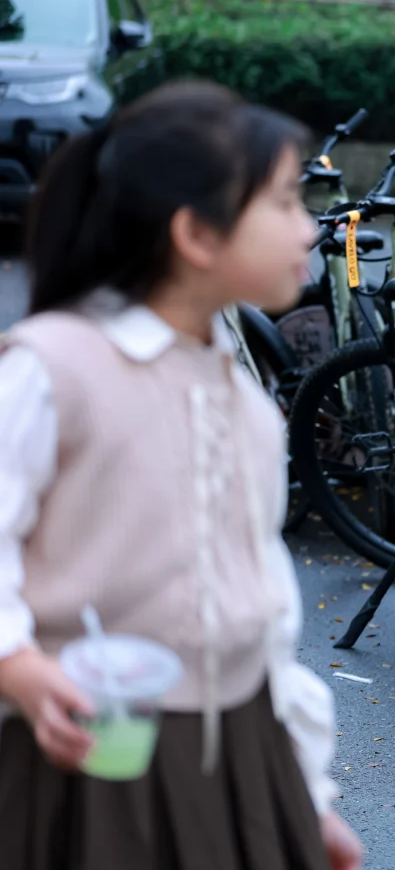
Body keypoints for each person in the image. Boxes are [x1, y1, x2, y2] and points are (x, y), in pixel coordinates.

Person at [0, 81, 363, 869]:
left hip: (243, 757)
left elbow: (266, 616)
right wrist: (17, 665)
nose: (309, 226)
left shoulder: (243, 398)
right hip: (87, 755)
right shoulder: (54, 367)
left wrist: (307, 796)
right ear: (196, 233)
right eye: (283, 200)